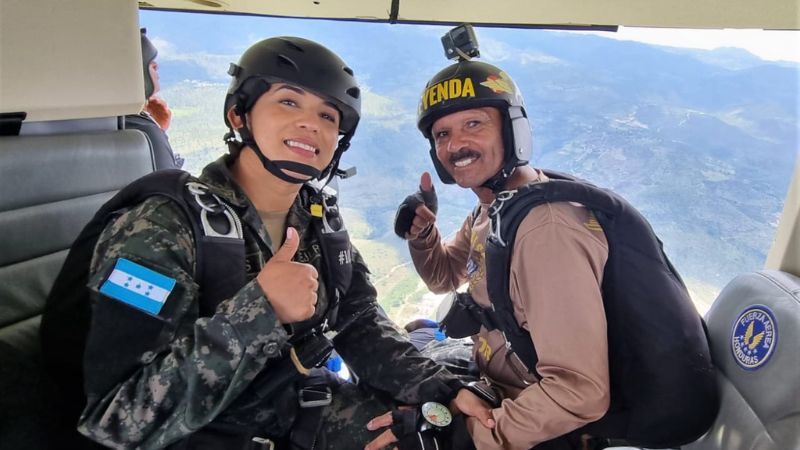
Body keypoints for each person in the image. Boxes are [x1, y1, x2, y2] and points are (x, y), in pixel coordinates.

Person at [44, 36, 491, 449]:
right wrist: (260, 311)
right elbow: (117, 419)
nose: (309, 124)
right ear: (239, 115)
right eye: (288, 101)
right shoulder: (161, 227)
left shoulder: (319, 219)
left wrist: (441, 390)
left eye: (327, 115)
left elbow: (357, 322)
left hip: (293, 406)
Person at [383, 45, 718, 449]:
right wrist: (424, 237)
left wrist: (468, 437)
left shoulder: (547, 230)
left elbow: (579, 392)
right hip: (503, 379)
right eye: (443, 134)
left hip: (555, 418)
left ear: (511, 131)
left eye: (474, 124)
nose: (457, 145)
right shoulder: (497, 205)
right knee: (412, 350)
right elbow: (446, 276)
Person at [125, 28, 184, 170]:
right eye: (150, 63)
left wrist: (159, 127)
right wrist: (158, 132)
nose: (156, 65)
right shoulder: (145, 133)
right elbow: (168, 187)